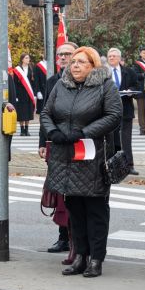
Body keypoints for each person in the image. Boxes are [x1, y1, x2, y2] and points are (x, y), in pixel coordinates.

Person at [40, 46, 121, 277]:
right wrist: (52, 132)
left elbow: (113, 116)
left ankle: (96, 259)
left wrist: (84, 132)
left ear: (93, 65)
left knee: (95, 210)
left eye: (81, 62)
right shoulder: (61, 84)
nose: (74, 65)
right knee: (74, 209)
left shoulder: (105, 85)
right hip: (64, 155)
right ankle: (80, 257)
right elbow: (46, 112)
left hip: (92, 156)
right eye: (73, 61)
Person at [38, 41, 76, 259]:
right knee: (58, 193)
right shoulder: (52, 80)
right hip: (56, 143)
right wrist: (43, 143)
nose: (63, 57)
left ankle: (74, 238)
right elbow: (46, 114)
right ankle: (63, 236)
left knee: (73, 195)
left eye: (67, 54)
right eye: (60, 54)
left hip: (75, 144)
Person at [106, 47, 139, 176]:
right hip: (109, 110)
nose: (112, 58)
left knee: (126, 139)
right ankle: (112, 167)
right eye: (110, 56)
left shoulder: (129, 72)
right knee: (111, 140)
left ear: (119, 58)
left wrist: (130, 91)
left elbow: (137, 86)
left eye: (114, 56)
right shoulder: (103, 72)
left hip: (126, 109)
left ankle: (129, 166)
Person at [14, 53, 36, 136]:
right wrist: (15, 95)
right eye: (26, 58)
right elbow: (15, 83)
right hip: (20, 94)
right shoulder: (17, 70)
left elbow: (33, 82)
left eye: (29, 58)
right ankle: (22, 130)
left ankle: (27, 129)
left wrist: (34, 93)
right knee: (21, 112)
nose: (28, 59)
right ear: (22, 59)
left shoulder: (31, 69)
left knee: (28, 111)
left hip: (29, 94)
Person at [132, 45, 145, 135]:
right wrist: (144, 74)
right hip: (141, 90)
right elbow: (134, 75)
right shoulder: (137, 63)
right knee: (141, 110)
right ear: (140, 54)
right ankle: (142, 129)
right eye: (144, 53)